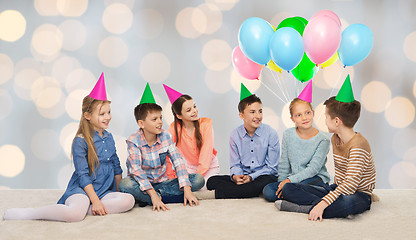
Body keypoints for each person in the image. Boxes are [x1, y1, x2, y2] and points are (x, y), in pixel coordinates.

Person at [3, 73, 135, 222]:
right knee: (75, 215)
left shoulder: (109, 137)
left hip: (105, 189)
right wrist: (95, 200)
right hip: (84, 190)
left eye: (109, 112)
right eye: (102, 114)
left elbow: (116, 166)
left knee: (128, 200)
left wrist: (117, 192)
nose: (108, 117)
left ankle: (90, 209)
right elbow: (83, 175)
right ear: (87, 116)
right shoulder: (81, 141)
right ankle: (31, 213)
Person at [276, 75, 376, 221]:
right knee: (288, 188)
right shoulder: (335, 138)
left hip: (358, 194)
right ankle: (321, 206)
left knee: (346, 205)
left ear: (336, 121)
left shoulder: (359, 145)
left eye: (326, 117)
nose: (324, 121)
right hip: (336, 189)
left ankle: (303, 208)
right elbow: (340, 185)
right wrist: (326, 198)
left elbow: (350, 186)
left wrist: (323, 204)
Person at [118, 83, 204, 211]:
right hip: (141, 184)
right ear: (141, 123)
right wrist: (152, 194)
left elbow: (178, 161)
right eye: (154, 119)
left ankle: (147, 198)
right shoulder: (134, 140)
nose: (159, 122)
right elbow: (136, 170)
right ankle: (158, 198)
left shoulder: (166, 136)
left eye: (160, 118)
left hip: (164, 183)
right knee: (124, 184)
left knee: (198, 179)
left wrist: (186, 188)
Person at [206, 83, 279, 199]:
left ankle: (223, 193)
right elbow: (235, 164)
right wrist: (236, 176)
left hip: (264, 176)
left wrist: (252, 177)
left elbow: (272, 168)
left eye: (260, 111)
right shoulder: (235, 135)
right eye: (252, 112)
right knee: (211, 181)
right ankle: (242, 189)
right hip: (244, 175)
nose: (258, 116)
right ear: (241, 115)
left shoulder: (271, 133)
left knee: (262, 183)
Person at [263, 81, 331, 202]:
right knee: (268, 191)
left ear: (313, 113)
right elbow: (284, 163)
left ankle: (297, 194)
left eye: (307, 113)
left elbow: (313, 169)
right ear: (292, 118)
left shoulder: (323, 139)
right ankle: (295, 194)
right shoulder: (288, 134)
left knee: (291, 188)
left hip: (315, 179)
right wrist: (281, 184)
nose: (304, 118)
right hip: (293, 180)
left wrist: (289, 182)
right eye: (298, 115)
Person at [163, 84, 219, 189]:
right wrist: (172, 176)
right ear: (179, 115)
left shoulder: (206, 124)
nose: (194, 111)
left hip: (210, 167)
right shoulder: (174, 129)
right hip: (190, 169)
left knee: (201, 188)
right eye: (188, 110)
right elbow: (164, 151)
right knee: (184, 188)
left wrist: (194, 179)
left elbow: (205, 157)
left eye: (194, 106)